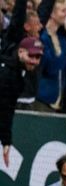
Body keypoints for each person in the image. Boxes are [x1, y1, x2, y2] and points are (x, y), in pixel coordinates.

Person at [1, 36, 42, 167]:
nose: (34, 61)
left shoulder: (19, 75)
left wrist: (6, 141)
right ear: (20, 52)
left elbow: (7, 108)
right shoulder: (7, 72)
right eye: (31, 55)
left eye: (38, 57)